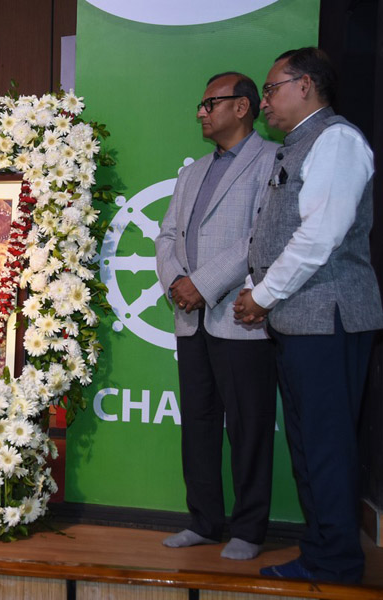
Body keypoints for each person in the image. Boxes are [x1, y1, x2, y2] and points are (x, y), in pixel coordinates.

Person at [234, 47, 383, 583]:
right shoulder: (298, 144)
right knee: (307, 444)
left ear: (306, 85)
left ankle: (337, 562)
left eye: (272, 89)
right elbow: (275, 233)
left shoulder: (337, 140)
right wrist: (257, 290)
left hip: (329, 317)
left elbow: (320, 235)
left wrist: (263, 295)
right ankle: (321, 552)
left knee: (326, 445)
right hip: (302, 321)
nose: (264, 101)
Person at [155, 72, 278, 560]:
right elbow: (166, 235)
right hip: (192, 319)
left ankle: (249, 529)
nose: (201, 112)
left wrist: (202, 285)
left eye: (210, 104)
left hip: (240, 318)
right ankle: (204, 522)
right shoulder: (193, 171)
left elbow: (261, 236)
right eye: (202, 105)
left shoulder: (272, 160)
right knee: (199, 423)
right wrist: (176, 282)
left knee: (248, 427)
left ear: (242, 106)